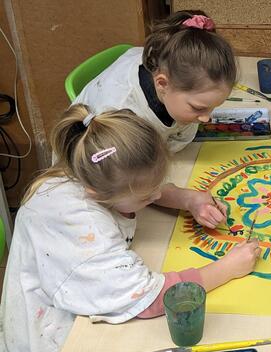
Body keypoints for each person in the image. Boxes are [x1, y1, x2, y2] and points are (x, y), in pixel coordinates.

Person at [0, 105, 260, 352]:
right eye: (148, 196)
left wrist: (188, 199)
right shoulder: (85, 229)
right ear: (99, 194)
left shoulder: (92, 167)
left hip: (75, 290)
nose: (157, 195)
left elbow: (137, 186)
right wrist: (227, 268)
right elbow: (150, 299)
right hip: (52, 341)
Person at [75, 10, 236, 229]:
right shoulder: (124, 119)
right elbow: (134, 184)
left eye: (215, 106)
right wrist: (188, 199)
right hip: (103, 180)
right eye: (198, 107)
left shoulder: (165, 58)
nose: (207, 117)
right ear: (162, 84)